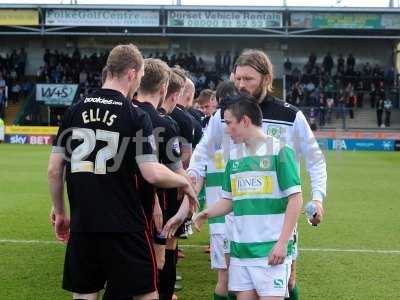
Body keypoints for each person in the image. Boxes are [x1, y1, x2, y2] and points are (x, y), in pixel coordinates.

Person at [48, 44, 196, 300]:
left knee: (84, 295)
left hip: (84, 225)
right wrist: (183, 182)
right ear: (131, 73)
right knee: (145, 295)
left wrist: (61, 212)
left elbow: (53, 170)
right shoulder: (135, 115)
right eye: (138, 78)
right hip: (125, 225)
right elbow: (151, 172)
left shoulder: (74, 111)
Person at [188, 49, 327, 300]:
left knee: (287, 282)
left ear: (266, 79)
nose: (241, 84)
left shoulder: (290, 115)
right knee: (232, 281)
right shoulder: (224, 114)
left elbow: (315, 159)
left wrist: (317, 197)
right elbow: (203, 151)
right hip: (238, 213)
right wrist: (192, 176)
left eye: (248, 79)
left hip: (278, 217)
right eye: (238, 78)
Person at [193, 96, 303, 300]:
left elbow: (295, 199)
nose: (226, 129)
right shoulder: (233, 157)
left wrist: (282, 243)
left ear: (244, 121)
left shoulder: (280, 152)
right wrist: (205, 213)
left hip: (271, 253)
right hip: (241, 254)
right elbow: (229, 200)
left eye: (229, 123)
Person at [134, 58, 191, 300]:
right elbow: (178, 171)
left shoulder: (125, 113)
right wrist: (189, 188)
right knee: (160, 256)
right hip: (157, 200)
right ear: (163, 88)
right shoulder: (166, 124)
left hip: (121, 201)